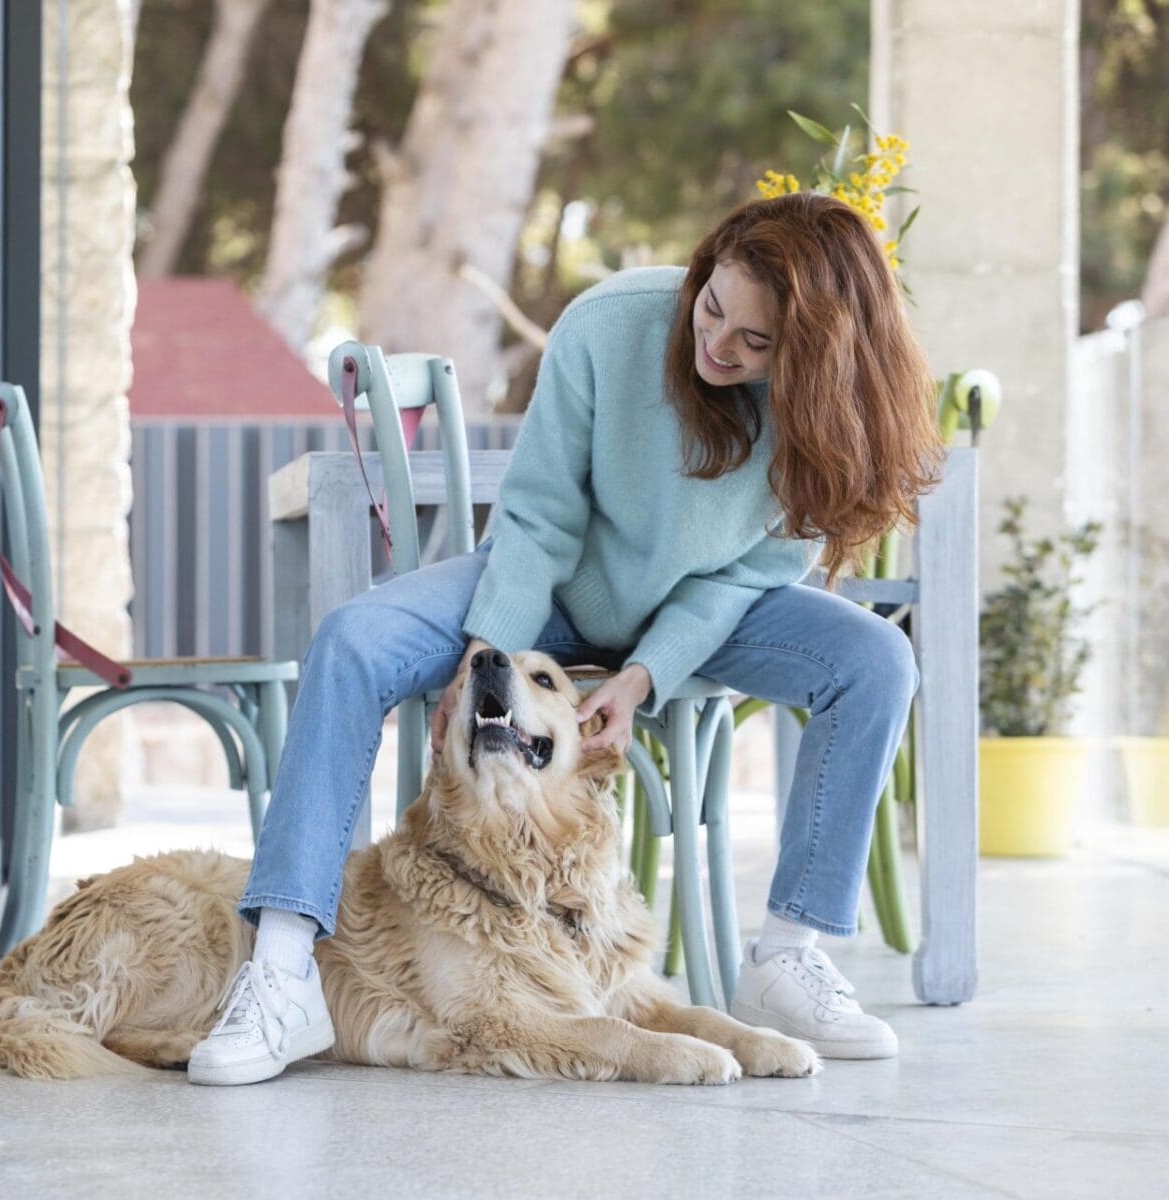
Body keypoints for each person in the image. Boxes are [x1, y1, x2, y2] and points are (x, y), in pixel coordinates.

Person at [185, 193, 943, 1086]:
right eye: (711, 307)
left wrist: (646, 676)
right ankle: (282, 976)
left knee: (877, 658)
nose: (718, 344)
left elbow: (744, 576)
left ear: (816, 353)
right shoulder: (610, 326)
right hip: (546, 590)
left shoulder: (830, 420)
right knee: (355, 639)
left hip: (695, 612)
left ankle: (786, 957)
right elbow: (539, 516)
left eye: (756, 341)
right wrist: (484, 652)